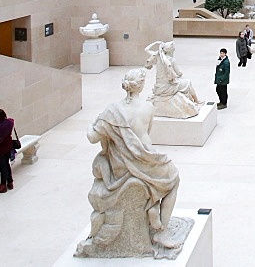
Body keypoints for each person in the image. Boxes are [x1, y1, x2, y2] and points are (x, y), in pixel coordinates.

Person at [77, 69, 180, 258]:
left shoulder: (111, 112)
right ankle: (159, 229)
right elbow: (146, 135)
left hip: (122, 165)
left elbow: (92, 137)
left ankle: (152, 208)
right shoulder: (148, 107)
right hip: (146, 160)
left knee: (165, 178)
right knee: (173, 178)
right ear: (140, 85)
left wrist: (91, 124)